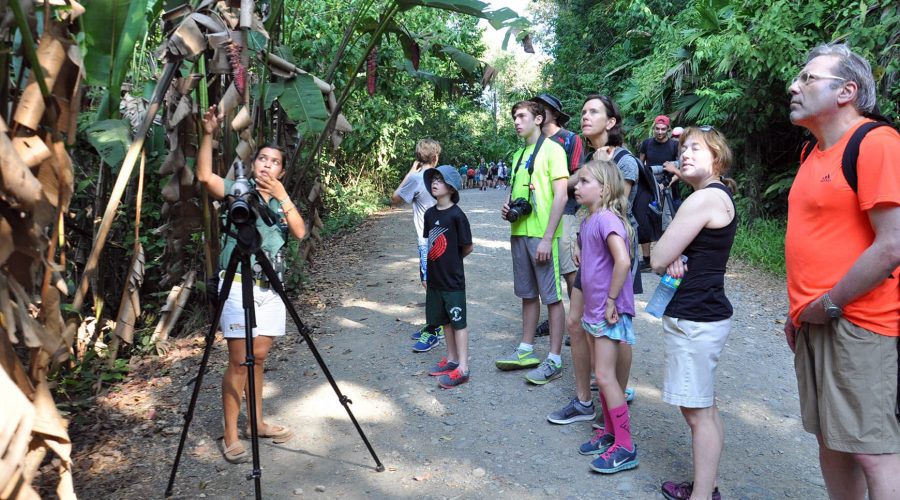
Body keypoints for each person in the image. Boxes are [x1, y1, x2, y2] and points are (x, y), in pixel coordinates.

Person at [784, 42, 900, 500]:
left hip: (860, 322)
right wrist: (798, 312)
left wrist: (828, 305)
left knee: (872, 450)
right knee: (830, 440)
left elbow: (892, 245)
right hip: (814, 320)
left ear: (846, 91)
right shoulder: (811, 154)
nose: (794, 86)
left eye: (808, 78)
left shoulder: (876, 143)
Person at [197, 105, 307, 464]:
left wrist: (281, 196)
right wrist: (209, 133)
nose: (265, 165)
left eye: (274, 161)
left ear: (282, 170)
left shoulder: (281, 200)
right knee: (238, 361)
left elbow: (300, 232)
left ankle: (256, 422)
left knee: (258, 357)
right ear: (254, 162)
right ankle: (231, 433)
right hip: (237, 282)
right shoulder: (238, 190)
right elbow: (203, 178)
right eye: (262, 158)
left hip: (271, 286)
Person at [650, 126, 737, 500]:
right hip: (704, 312)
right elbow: (678, 254)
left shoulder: (702, 200)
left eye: (695, 149)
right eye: (682, 149)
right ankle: (707, 487)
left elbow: (655, 258)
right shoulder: (714, 195)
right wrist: (676, 256)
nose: (684, 154)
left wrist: (670, 256)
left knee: (697, 413)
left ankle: (702, 496)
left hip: (696, 318)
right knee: (705, 407)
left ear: (716, 157)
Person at [548, 94, 638, 425]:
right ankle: (584, 399)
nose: (585, 116)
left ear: (611, 122)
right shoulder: (589, 156)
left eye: (593, 112)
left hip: (614, 255)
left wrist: (603, 167)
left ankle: (615, 400)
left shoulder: (625, 161)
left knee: (617, 328)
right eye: (583, 111)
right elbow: (580, 200)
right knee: (577, 322)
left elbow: (618, 207)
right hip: (588, 253)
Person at [572, 157, 639, 474]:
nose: (577, 186)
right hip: (595, 311)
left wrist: (612, 300)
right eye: (578, 181)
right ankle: (611, 433)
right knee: (603, 375)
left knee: (605, 377)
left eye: (585, 181)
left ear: (605, 189)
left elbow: (623, 262)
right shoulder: (589, 220)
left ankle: (625, 446)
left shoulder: (607, 220)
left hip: (609, 312)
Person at [494, 100, 569, 385]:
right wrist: (507, 209)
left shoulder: (554, 150)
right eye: (514, 116)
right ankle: (526, 349)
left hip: (543, 235)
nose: (516, 120)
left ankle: (554, 358)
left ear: (538, 119)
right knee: (527, 294)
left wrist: (548, 238)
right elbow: (517, 194)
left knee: (552, 296)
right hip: (519, 232)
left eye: (522, 116)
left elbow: (560, 196)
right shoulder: (517, 155)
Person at [420, 165, 474, 388]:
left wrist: (452, 260)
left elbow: (467, 246)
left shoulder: (457, 215)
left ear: (451, 188)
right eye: (433, 179)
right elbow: (429, 244)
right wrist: (426, 272)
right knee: (444, 321)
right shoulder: (430, 214)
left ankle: (463, 367)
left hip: (453, 281)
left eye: (440, 180)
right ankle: (451, 359)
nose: (434, 183)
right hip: (435, 279)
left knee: (458, 321)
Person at [531, 93, 584, 308]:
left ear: (554, 114)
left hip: (565, 211)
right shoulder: (535, 142)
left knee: (569, 268)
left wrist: (552, 186)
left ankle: (577, 320)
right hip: (537, 213)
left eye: (542, 107)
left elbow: (579, 174)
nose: (538, 110)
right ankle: (556, 317)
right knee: (546, 267)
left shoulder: (570, 138)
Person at [391, 139, 445, 352]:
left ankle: (435, 329)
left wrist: (409, 172)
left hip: (426, 241)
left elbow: (394, 199)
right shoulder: (441, 177)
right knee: (434, 282)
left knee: (429, 284)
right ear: (436, 158)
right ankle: (434, 324)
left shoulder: (415, 178)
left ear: (419, 158)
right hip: (443, 237)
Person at [637, 115, 677, 269]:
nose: (660, 132)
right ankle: (646, 260)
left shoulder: (674, 146)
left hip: (668, 188)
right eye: (657, 129)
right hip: (648, 187)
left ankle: (665, 261)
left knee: (667, 224)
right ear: (653, 128)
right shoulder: (647, 144)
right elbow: (640, 165)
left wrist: (666, 184)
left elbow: (678, 169)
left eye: (663, 129)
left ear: (668, 129)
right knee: (644, 221)